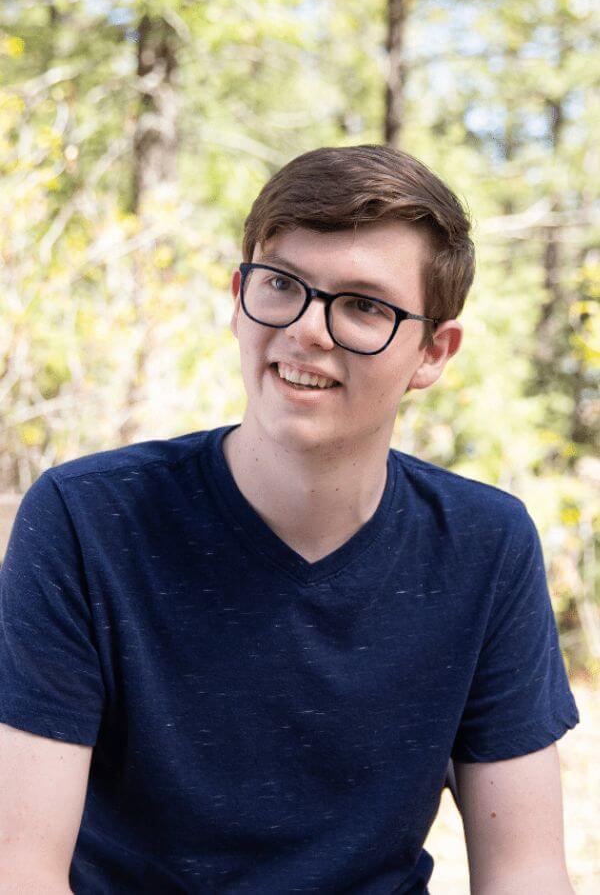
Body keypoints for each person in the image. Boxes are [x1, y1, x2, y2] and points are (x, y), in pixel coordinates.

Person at [0, 145, 579, 894]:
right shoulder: (88, 520)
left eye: (365, 305)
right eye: (282, 285)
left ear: (433, 353)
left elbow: (526, 873)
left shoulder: (485, 545)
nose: (307, 329)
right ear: (239, 297)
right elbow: (22, 870)